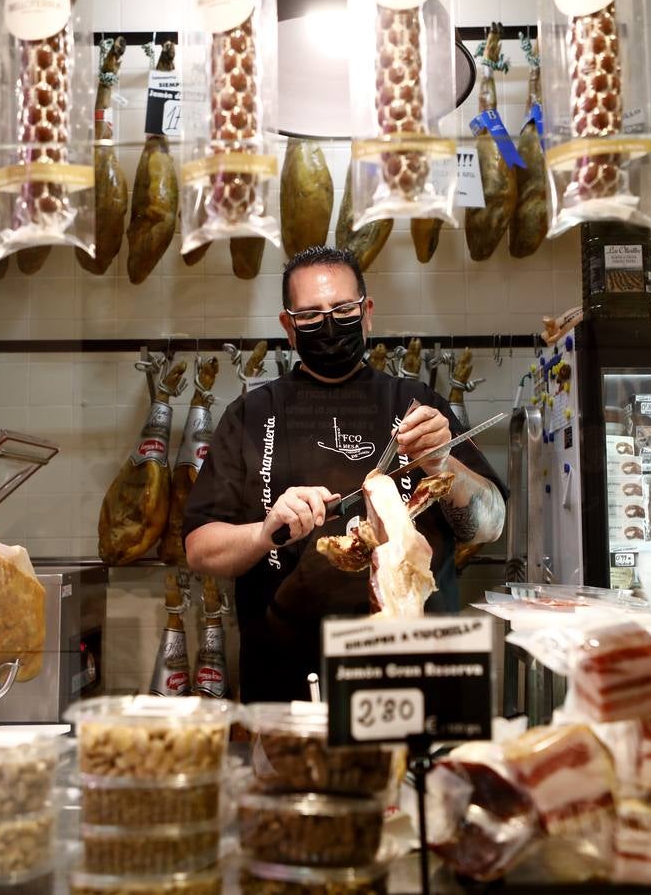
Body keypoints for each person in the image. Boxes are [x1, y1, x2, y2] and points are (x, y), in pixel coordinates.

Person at [183, 245, 508, 702]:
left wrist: (442, 462)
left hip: (416, 675)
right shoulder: (250, 415)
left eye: (343, 309)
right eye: (311, 315)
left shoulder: (420, 405)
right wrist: (264, 533)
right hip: (289, 681)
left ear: (367, 312)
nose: (330, 324)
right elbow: (199, 549)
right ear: (288, 327)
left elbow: (491, 525)